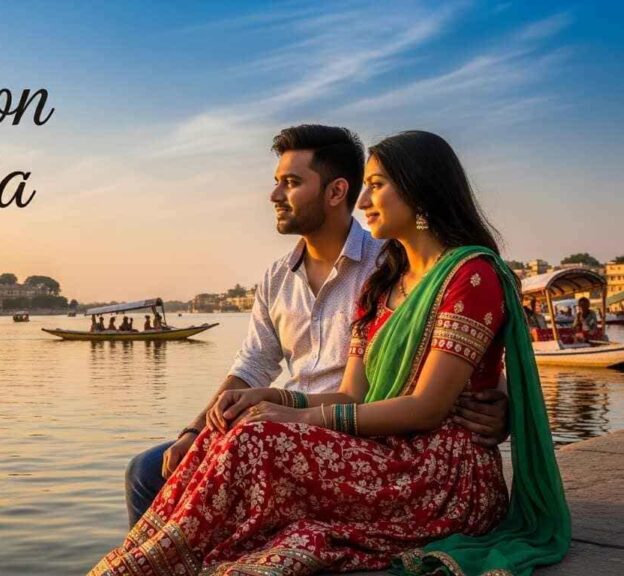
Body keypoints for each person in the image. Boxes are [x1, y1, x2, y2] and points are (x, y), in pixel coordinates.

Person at [97, 131, 566, 576]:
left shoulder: (449, 271)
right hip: (351, 440)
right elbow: (333, 388)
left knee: (250, 444)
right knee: (189, 452)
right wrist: (234, 414)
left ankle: (149, 564)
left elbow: (436, 399)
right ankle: (161, 560)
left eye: (375, 187)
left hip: (433, 467)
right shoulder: (376, 283)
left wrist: (502, 402)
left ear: (418, 193)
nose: (365, 202)